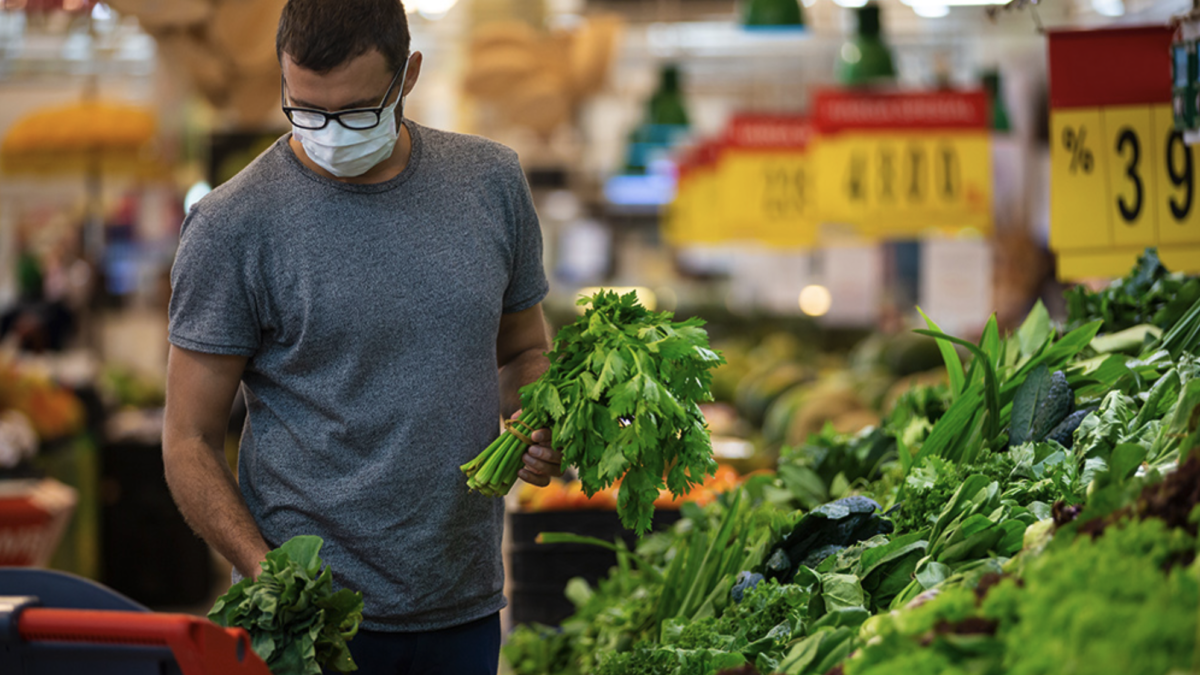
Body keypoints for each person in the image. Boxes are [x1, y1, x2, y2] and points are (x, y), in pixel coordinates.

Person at [162, 1, 563, 672]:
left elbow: (523, 348)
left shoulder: (491, 183)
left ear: (407, 76)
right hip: (310, 624)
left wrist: (534, 416)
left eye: (354, 113)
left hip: (463, 604)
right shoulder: (231, 225)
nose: (329, 133)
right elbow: (188, 438)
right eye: (306, 110)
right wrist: (270, 575)